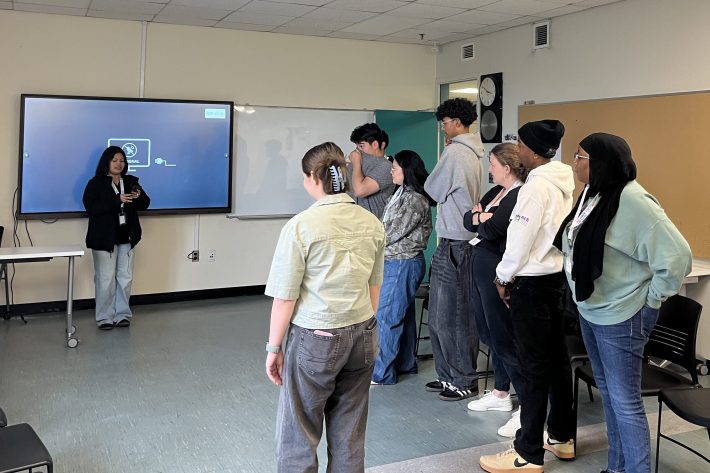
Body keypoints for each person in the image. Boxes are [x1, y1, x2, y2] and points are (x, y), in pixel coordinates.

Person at [554, 133, 692, 473]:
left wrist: (651, 301)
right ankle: (617, 467)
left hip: (623, 316)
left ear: (601, 163)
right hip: (592, 309)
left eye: (580, 156)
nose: (574, 162)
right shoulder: (594, 193)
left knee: (625, 402)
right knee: (610, 396)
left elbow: (677, 257)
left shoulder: (633, 200)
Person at [264, 142, 385, 472]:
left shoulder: (301, 226)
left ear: (314, 177)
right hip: (363, 333)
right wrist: (364, 325)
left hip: (316, 337)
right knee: (350, 431)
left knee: (299, 431)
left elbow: (285, 297)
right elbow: (374, 287)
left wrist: (274, 348)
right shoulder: (371, 222)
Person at [480, 120, 576, 473]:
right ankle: (562, 438)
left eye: (518, 143)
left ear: (532, 150)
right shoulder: (564, 181)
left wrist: (502, 276)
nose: (515, 148)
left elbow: (519, 241)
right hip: (555, 280)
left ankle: (528, 452)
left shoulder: (534, 189)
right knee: (557, 363)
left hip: (531, 284)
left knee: (533, 368)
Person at [463, 143, 527, 438]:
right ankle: (501, 393)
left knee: (503, 336)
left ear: (507, 166)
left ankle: (527, 406)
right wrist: (480, 218)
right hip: (480, 266)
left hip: (497, 271)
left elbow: (493, 231)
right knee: (488, 332)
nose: (489, 169)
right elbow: (469, 219)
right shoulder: (495, 193)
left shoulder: (518, 195)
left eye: (492, 164)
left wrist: (483, 220)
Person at [423, 97, 484, 401]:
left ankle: (462, 380)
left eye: (445, 123)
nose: (443, 129)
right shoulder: (470, 152)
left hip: (456, 243)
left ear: (457, 122)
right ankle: (448, 376)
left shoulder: (457, 152)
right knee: (439, 315)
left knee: (454, 316)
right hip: (455, 239)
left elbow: (432, 190)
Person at [371, 150, 434, 385]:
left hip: (403, 262)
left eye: (395, 168)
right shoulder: (401, 194)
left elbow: (391, 233)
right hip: (396, 262)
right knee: (403, 316)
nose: (391, 171)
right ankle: (406, 364)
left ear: (406, 171)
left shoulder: (414, 199)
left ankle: (382, 373)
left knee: (387, 316)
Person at [83, 146, 150, 330]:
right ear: (107, 162)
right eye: (115, 160)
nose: (119, 164)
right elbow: (91, 208)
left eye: (122, 160)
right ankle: (104, 317)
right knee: (105, 279)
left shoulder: (130, 181)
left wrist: (139, 195)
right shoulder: (95, 183)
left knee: (125, 277)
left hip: (126, 237)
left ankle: (122, 314)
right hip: (104, 238)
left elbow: (145, 204)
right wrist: (117, 200)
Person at [347, 123, 395, 219]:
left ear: (375, 144)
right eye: (357, 147)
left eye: (361, 146)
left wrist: (356, 164)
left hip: (375, 226)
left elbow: (360, 191)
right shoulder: (358, 163)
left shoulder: (386, 166)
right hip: (355, 223)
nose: (358, 151)